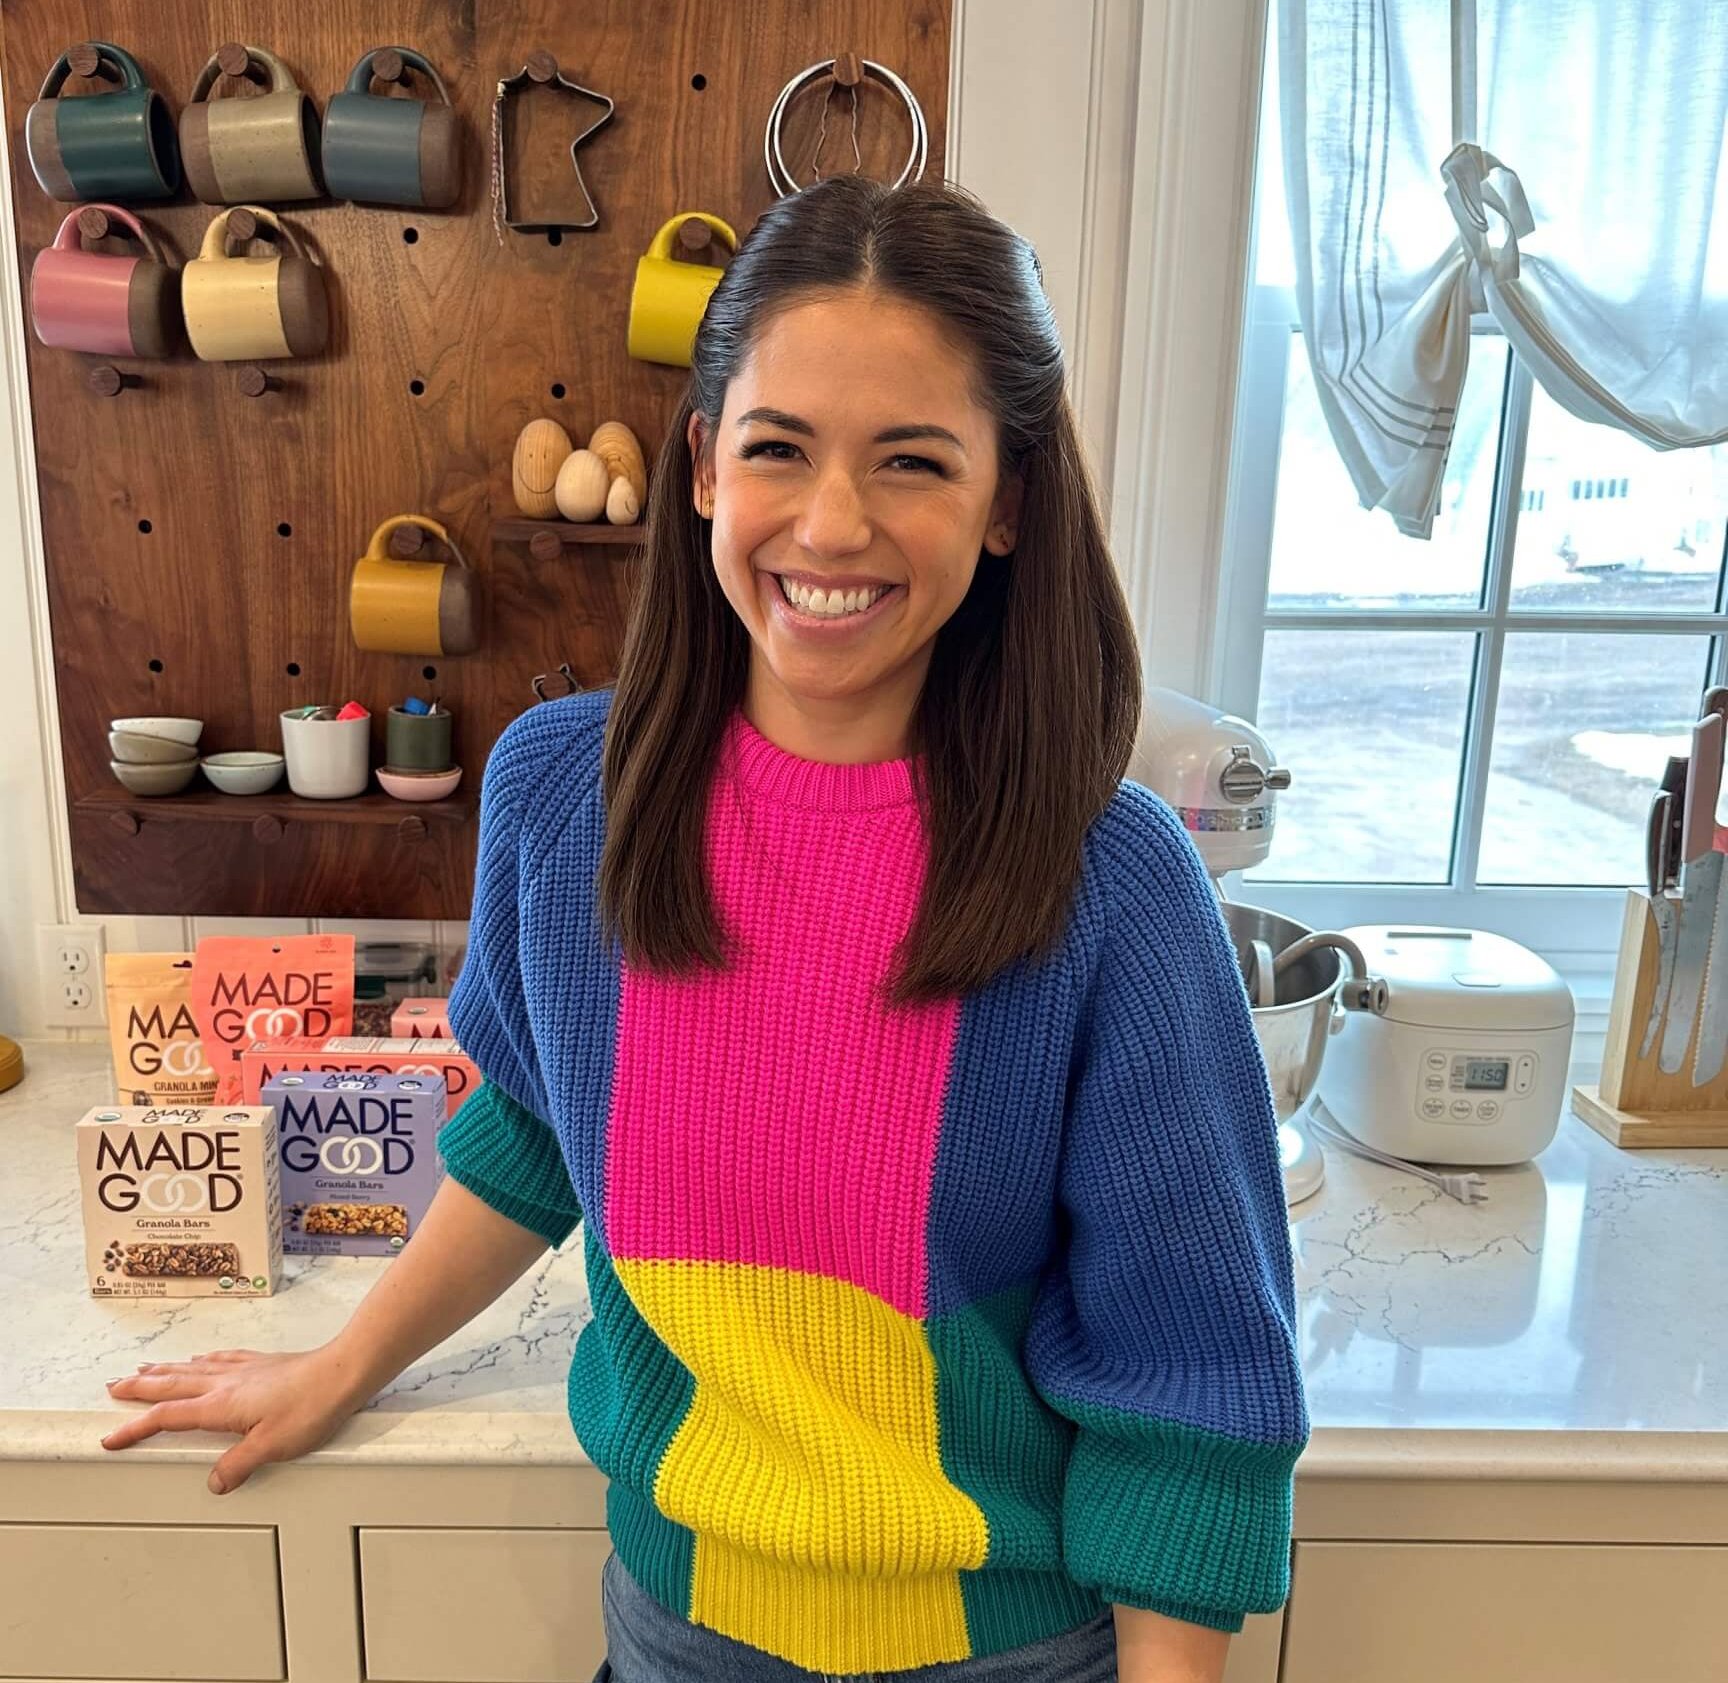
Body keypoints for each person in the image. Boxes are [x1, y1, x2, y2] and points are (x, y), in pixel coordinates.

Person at [99, 174, 1308, 1683]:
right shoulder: (559, 799)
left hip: (1004, 1655)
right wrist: (343, 1363)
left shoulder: (1110, 885)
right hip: (676, 1636)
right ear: (700, 471)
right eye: (779, 449)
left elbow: (1185, 1381)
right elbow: (534, 1135)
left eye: (914, 462)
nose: (834, 522)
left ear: (1010, 505)